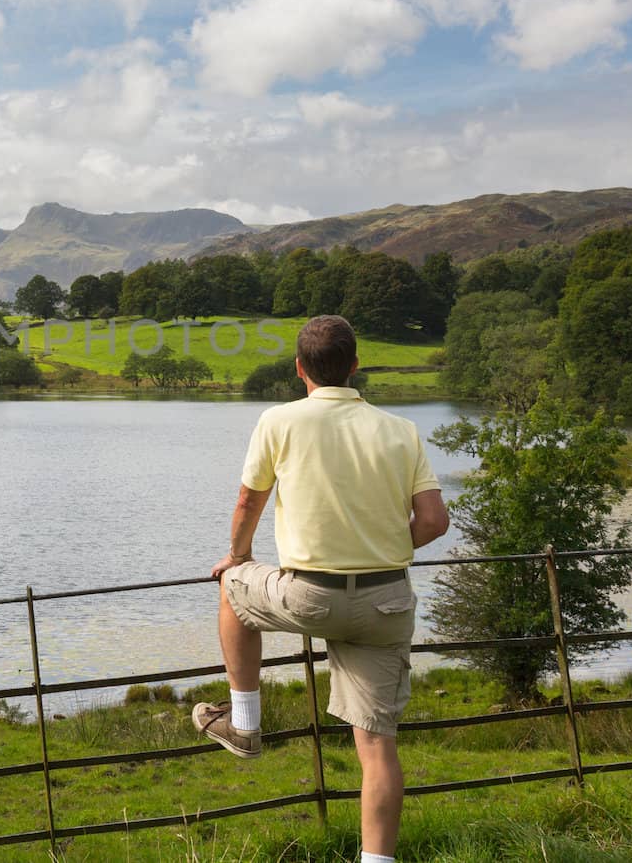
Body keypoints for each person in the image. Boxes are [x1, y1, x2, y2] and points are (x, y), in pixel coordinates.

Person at [193, 315, 449, 863]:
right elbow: (432, 520)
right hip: (386, 601)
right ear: (356, 366)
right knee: (378, 748)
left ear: (299, 369)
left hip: (311, 597)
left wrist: (237, 557)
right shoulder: (400, 429)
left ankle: (244, 725)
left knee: (233, 587)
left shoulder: (279, 421)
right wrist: (384, 547)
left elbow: (248, 503)